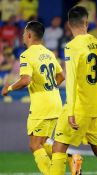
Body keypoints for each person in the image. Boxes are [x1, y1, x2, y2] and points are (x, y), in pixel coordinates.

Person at [50, 6, 97, 175]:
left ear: (69, 25)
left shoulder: (72, 46)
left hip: (78, 106)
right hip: (96, 107)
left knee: (58, 148)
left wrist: (70, 110)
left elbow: (72, 79)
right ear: (86, 23)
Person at [1, 21, 65, 175]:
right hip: (55, 102)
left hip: (41, 105)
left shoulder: (26, 55)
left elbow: (26, 80)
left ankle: (52, 173)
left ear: (29, 35)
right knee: (42, 143)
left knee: (34, 145)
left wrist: (8, 88)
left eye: (24, 33)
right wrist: (48, 88)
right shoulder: (49, 53)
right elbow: (61, 76)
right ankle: (71, 159)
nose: (23, 36)